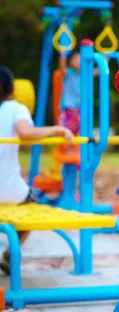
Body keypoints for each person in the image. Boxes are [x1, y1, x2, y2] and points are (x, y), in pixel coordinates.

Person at [0, 66, 74, 274]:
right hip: (9, 192)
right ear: (12, 90)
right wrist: (57, 129)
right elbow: (25, 132)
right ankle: (11, 253)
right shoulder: (16, 108)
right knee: (33, 202)